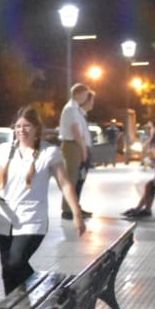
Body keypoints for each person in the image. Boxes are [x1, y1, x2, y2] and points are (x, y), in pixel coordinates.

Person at [0, 107, 86, 291]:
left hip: (32, 217)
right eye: (18, 126)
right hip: (4, 217)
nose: (21, 130)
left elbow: (65, 183)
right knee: (8, 269)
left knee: (15, 262)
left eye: (26, 126)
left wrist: (76, 213)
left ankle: (51, 287)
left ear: (37, 128)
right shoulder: (4, 150)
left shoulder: (49, 153)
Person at [58, 84, 95, 219]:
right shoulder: (71, 109)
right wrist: (83, 148)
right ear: (78, 94)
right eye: (85, 95)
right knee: (72, 178)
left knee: (75, 178)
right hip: (72, 146)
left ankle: (74, 207)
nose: (86, 98)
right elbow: (76, 131)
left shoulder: (75, 109)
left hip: (74, 146)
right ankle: (68, 210)